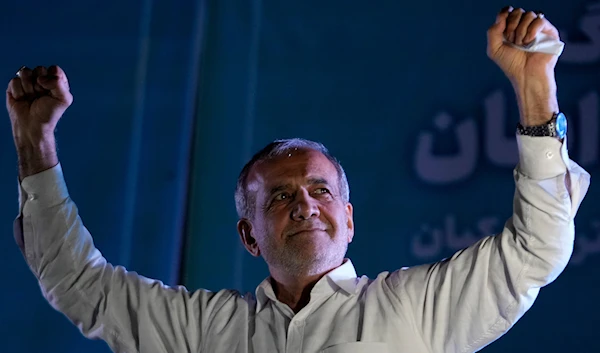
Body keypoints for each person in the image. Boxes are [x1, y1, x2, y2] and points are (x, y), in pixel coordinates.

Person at [6, 6, 590, 353]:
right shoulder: (208, 330)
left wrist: (535, 87)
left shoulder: (415, 308)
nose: (305, 206)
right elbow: (78, 282)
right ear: (249, 236)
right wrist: (36, 143)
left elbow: (537, 249)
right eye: (281, 196)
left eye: (320, 191)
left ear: (349, 218)